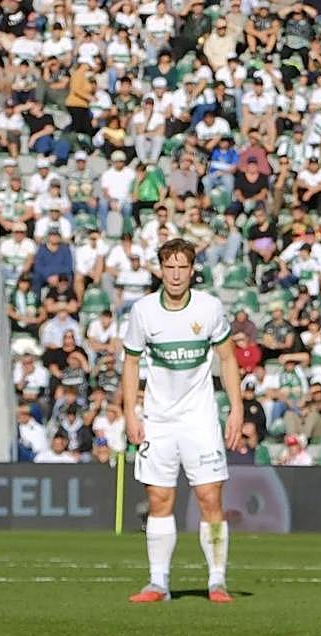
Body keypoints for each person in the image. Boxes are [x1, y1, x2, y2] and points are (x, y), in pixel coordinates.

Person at [122, 238, 243, 604]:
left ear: (192, 270)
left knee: (209, 497)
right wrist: (130, 412)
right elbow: (130, 362)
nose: (175, 274)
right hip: (158, 419)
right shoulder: (143, 311)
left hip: (200, 418)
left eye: (182, 267)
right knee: (159, 498)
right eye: (169, 267)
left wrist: (235, 407)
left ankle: (217, 581)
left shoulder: (208, 308)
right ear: (160, 270)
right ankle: (158, 583)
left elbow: (227, 357)